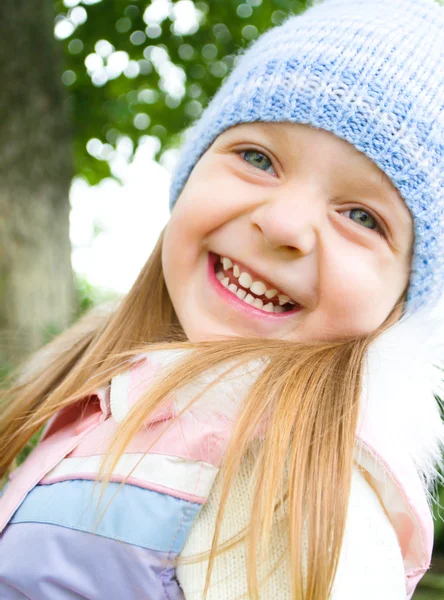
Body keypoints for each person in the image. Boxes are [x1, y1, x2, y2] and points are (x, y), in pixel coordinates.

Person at [0, 0, 444, 598]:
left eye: (362, 216)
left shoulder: (298, 490)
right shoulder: (107, 389)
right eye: (257, 158)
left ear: (404, 298)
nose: (284, 224)